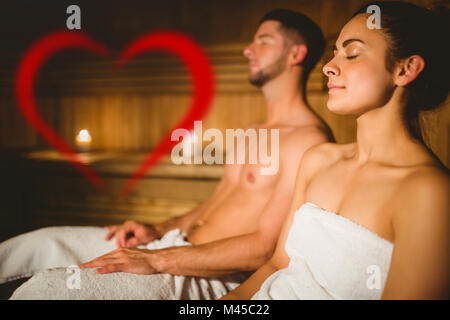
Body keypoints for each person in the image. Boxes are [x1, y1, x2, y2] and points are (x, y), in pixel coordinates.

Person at [2, 9, 332, 299]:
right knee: (36, 245)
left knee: (46, 291)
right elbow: (216, 205)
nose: (248, 49)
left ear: (295, 54)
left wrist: (157, 259)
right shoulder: (254, 129)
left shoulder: (309, 141)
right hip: (173, 244)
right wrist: (157, 230)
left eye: (263, 40)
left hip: (210, 272)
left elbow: (266, 247)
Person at [221, 1, 449, 300]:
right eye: (334, 53)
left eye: (352, 53)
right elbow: (277, 265)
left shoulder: (428, 192)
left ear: (406, 69)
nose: (329, 66)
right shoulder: (318, 160)